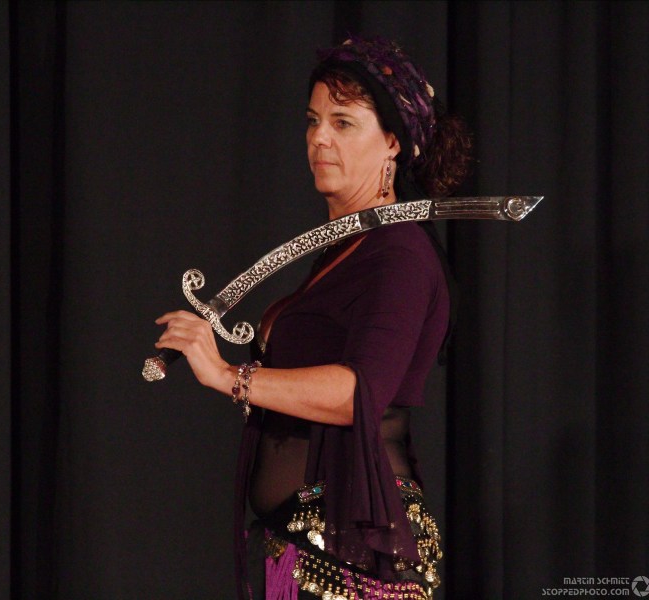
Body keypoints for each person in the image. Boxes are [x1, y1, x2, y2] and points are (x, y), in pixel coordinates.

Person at [154, 35, 473, 600]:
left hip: (357, 555)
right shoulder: (345, 251)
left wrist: (227, 375)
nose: (319, 138)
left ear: (393, 142)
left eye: (342, 123)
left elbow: (359, 392)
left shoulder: (399, 253)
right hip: (301, 551)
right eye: (313, 120)